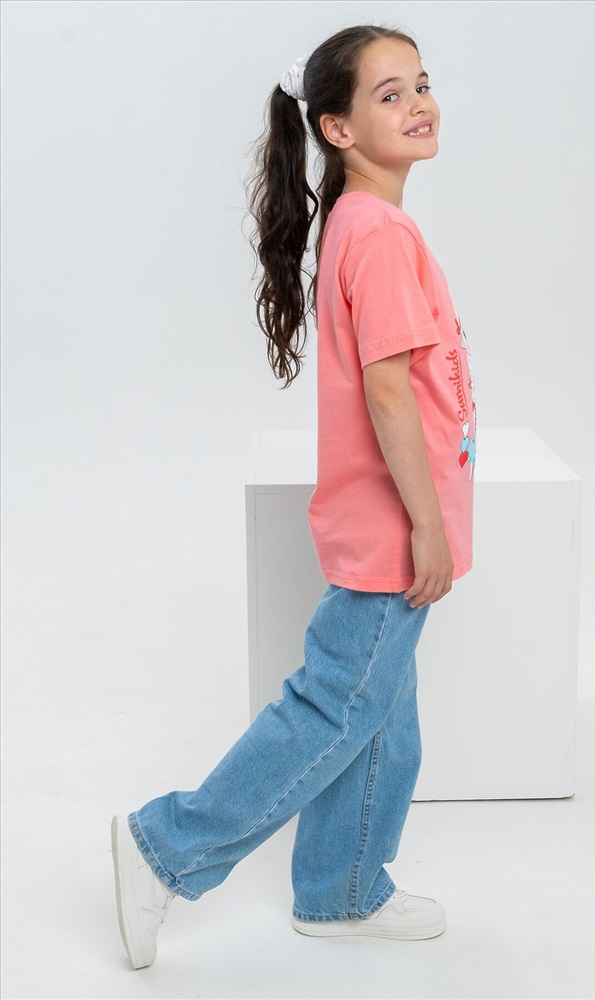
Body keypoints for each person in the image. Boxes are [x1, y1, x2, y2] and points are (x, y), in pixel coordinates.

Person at [111, 23, 477, 970]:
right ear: (337, 128)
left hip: (387, 524)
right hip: (393, 528)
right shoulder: (378, 234)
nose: (418, 104)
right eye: (389, 94)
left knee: (382, 723)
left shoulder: (362, 222)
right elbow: (389, 391)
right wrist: (428, 525)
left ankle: (339, 890)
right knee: (333, 711)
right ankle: (165, 847)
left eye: (421, 83)